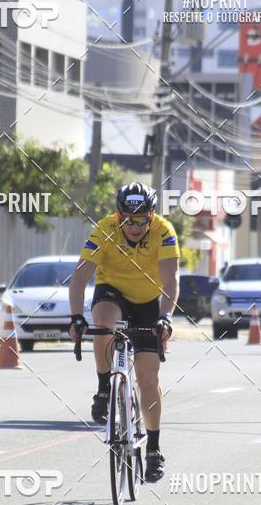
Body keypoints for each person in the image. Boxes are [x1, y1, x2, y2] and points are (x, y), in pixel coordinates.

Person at [68, 182, 180, 483]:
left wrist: (165, 318)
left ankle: (154, 448)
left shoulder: (164, 231)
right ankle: (105, 389)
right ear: (118, 216)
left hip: (147, 302)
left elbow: (171, 281)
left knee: (148, 378)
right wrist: (76, 317)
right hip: (112, 292)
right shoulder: (104, 228)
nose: (134, 226)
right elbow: (79, 277)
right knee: (102, 321)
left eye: (142, 220)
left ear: (152, 216)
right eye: (128, 220)